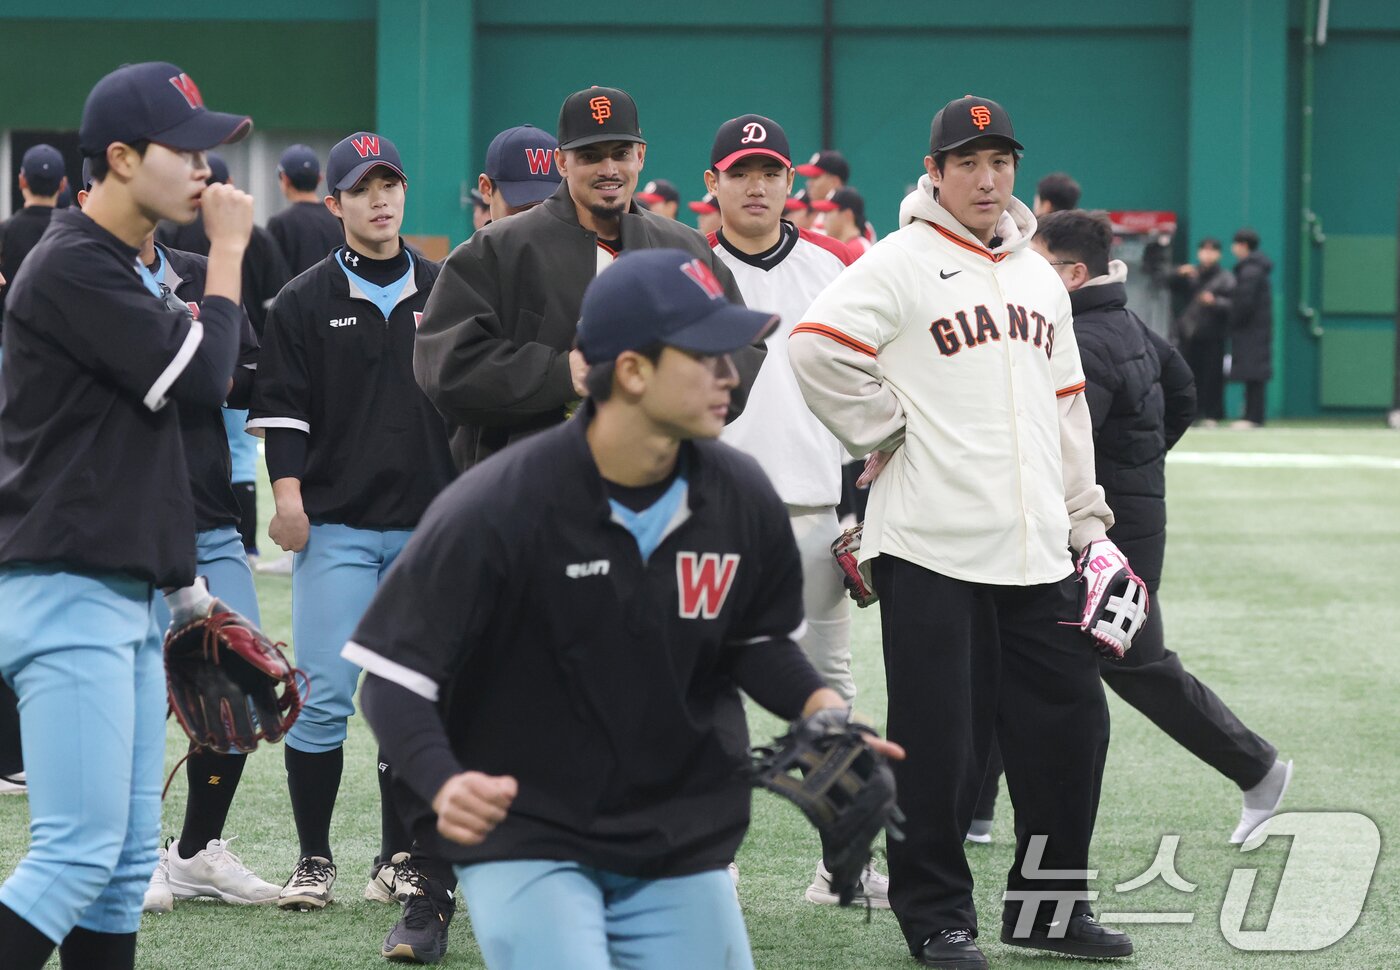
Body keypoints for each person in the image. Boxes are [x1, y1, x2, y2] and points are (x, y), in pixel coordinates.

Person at [343, 247, 903, 970]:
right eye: (706, 354)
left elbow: (755, 643)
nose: (731, 373)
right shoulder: (499, 503)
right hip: (529, 833)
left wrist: (822, 706)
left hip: (675, 835)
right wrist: (444, 780)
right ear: (632, 371)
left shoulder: (740, 494)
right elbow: (392, 676)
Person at [789, 94, 1134, 968]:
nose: (987, 178)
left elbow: (1066, 412)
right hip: (931, 546)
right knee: (941, 747)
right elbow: (815, 346)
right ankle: (937, 917)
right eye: (968, 163)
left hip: (1036, 549)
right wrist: (883, 426)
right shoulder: (899, 260)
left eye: (1001, 162)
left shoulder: (1034, 278)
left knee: (1070, 733)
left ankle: (1047, 912)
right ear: (935, 172)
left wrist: (1087, 525)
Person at [0, 60, 252, 970]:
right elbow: (203, 380)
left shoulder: (123, 263)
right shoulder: (70, 261)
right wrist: (227, 255)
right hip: (67, 588)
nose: (206, 171)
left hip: (126, 591)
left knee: (117, 870)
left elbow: (145, 442)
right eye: (184, 151)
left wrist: (182, 590)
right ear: (117, 157)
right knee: (72, 856)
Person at [966, 210, 1292, 849]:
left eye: (1040, 261)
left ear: (1074, 272)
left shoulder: (1082, 338)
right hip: (1124, 525)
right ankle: (976, 810)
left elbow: (1060, 443)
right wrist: (1138, 463)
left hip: (1099, 536)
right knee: (1018, 661)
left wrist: (1112, 478)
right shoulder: (1126, 322)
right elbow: (1184, 393)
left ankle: (1257, 768)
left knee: (1127, 668)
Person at [246, 131, 459, 962]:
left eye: (391, 185)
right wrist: (288, 498)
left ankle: (400, 861)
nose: (381, 199)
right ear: (332, 203)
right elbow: (284, 410)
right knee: (326, 694)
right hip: (335, 526)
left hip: (429, 531)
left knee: (408, 697)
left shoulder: (446, 289)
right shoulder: (300, 299)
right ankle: (314, 857)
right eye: (363, 188)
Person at [700, 113, 882, 905]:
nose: (758, 184)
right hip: (706, 516)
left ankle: (841, 867)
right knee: (703, 691)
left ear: (792, 184)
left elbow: (867, 387)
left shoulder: (836, 266)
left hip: (813, 513)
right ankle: (708, 859)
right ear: (714, 184)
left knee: (828, 691)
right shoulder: (686, 267)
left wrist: (854, 504)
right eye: (742, 171)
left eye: (771, 171)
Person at [414, 85, 753, 472]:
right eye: (590, 155)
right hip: (530, 494)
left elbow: (741, 350)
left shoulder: (683, 248)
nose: (608, 169)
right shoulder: (498, 248)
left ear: (641, 156)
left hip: (653, 487)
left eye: (620, 153)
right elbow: (443, 367)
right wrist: (561, 373)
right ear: (561, 162)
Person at [127, 223, 280, 913]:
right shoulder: (80, 270)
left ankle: (193, 853)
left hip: (209, 516)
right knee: (129, 703)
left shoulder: (196, 268)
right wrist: (197, 360)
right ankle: (133, 857)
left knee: (240, 682)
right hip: (116, 525)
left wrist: (199, 362)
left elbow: (243, 369)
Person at [1169, 238, 1234, 425]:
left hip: (1214, 335)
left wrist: (1215, 302)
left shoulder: (1225, 277)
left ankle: (1213, 414)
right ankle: (1193, 414)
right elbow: (1166, 281)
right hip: (1191, 334)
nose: (1207, 254)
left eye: (1212, 250)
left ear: (1218, 254)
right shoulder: (1191, 275)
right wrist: (1178, 273)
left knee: (1213, 377)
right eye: (1204, 250)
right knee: (1190, 377)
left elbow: (1233, 305)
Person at [0, 145, 68, 320]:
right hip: (61, 339)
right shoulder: (74, 233)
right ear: (62, 185)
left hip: (12, 338)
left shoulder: (5, 231)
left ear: (22, 181)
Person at [1219, 228, 1273, 428]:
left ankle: (1252, 417)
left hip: (1250, 329)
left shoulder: (1250, 271)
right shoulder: (1254, 269)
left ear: (1242, 245)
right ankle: (1252, 415)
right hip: (1256, 329)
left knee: (1253, 372)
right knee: (1254, 372)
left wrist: (1232, 319)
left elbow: (1243, 303)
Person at [267, 143, 344, 277]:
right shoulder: (340, 217)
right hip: (338, 296)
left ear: (285, 179)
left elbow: (272, 277)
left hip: (295, 297)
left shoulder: (280, 223)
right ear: (320, 178)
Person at [475, 124, 562, 223]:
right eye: (523, 208)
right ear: (486, 188)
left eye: (547, 207)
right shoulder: (480, 239)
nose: (535, 217)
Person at [823, 187, 872, 260]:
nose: (824, 218)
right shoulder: (849, 248)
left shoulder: (857, 249)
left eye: (828, 212)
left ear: (847, 214)